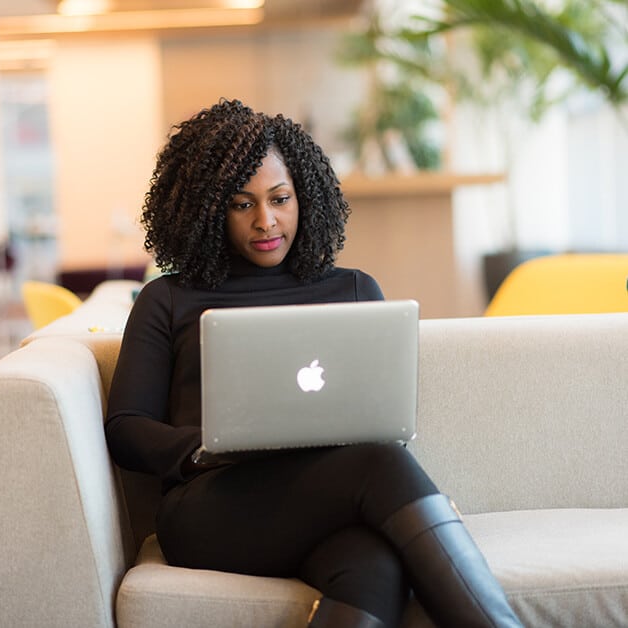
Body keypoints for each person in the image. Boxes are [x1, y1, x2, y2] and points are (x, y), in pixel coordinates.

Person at [105, 99, 522, 628]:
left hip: (331, 500)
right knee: (380, 465)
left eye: (281, 198)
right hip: (212, 508)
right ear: (208, 209)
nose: (266, 220)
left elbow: (383, 415)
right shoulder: (168, 298)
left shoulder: (353, 289)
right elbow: (125, 428)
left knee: (374, 564)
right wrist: (206, 449)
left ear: (305, 196)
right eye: (241, 204)